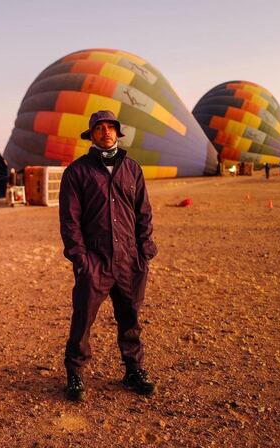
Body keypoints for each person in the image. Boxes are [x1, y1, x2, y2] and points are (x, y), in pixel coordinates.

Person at [59, 110, 158, 402]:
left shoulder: (133, 169)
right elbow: (70, 221)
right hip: (95, 259)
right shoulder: (77, 172)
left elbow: (144, 213)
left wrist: (144, 251)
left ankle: (133, 370)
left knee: (130, 316)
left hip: (130, 259)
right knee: (83, 319)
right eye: (99, 128)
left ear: (118, 132)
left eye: (110, 127)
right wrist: (82, 260)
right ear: (91, 135)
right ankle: (75, 375)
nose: (106, 132)